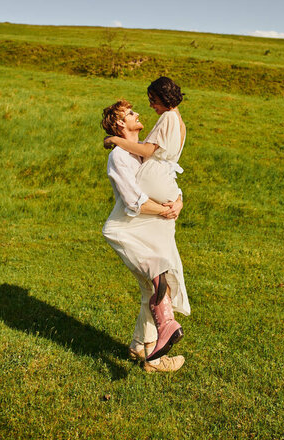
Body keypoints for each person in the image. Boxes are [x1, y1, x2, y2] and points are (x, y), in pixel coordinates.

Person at [103, 77, 189, 364]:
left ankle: (140, 347)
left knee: (150, 288)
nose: (138, 113)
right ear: (119, 126)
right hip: (124, 232)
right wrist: (165, 209)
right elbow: (133, 201)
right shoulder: (119, 156)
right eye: (129, 114)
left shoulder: (137, 154)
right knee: (157, 280)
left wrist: (177, 199)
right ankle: (156, 351)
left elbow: (164, 172)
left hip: (143, 228)